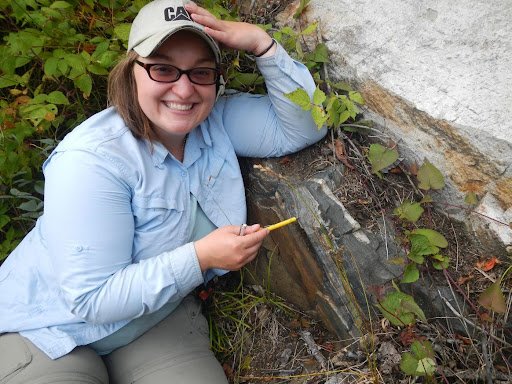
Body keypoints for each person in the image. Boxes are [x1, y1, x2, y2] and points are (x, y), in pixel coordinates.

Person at [0, 0, 327, 382]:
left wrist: (262, 45)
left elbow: (306, 126)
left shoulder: (213, 122)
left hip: (152, 322)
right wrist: (201, 257)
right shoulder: (91, 160)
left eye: (200, 72)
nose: (184, 89)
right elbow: (91, 299)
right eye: (163, 69)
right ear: (131, 72)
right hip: (50, 329)